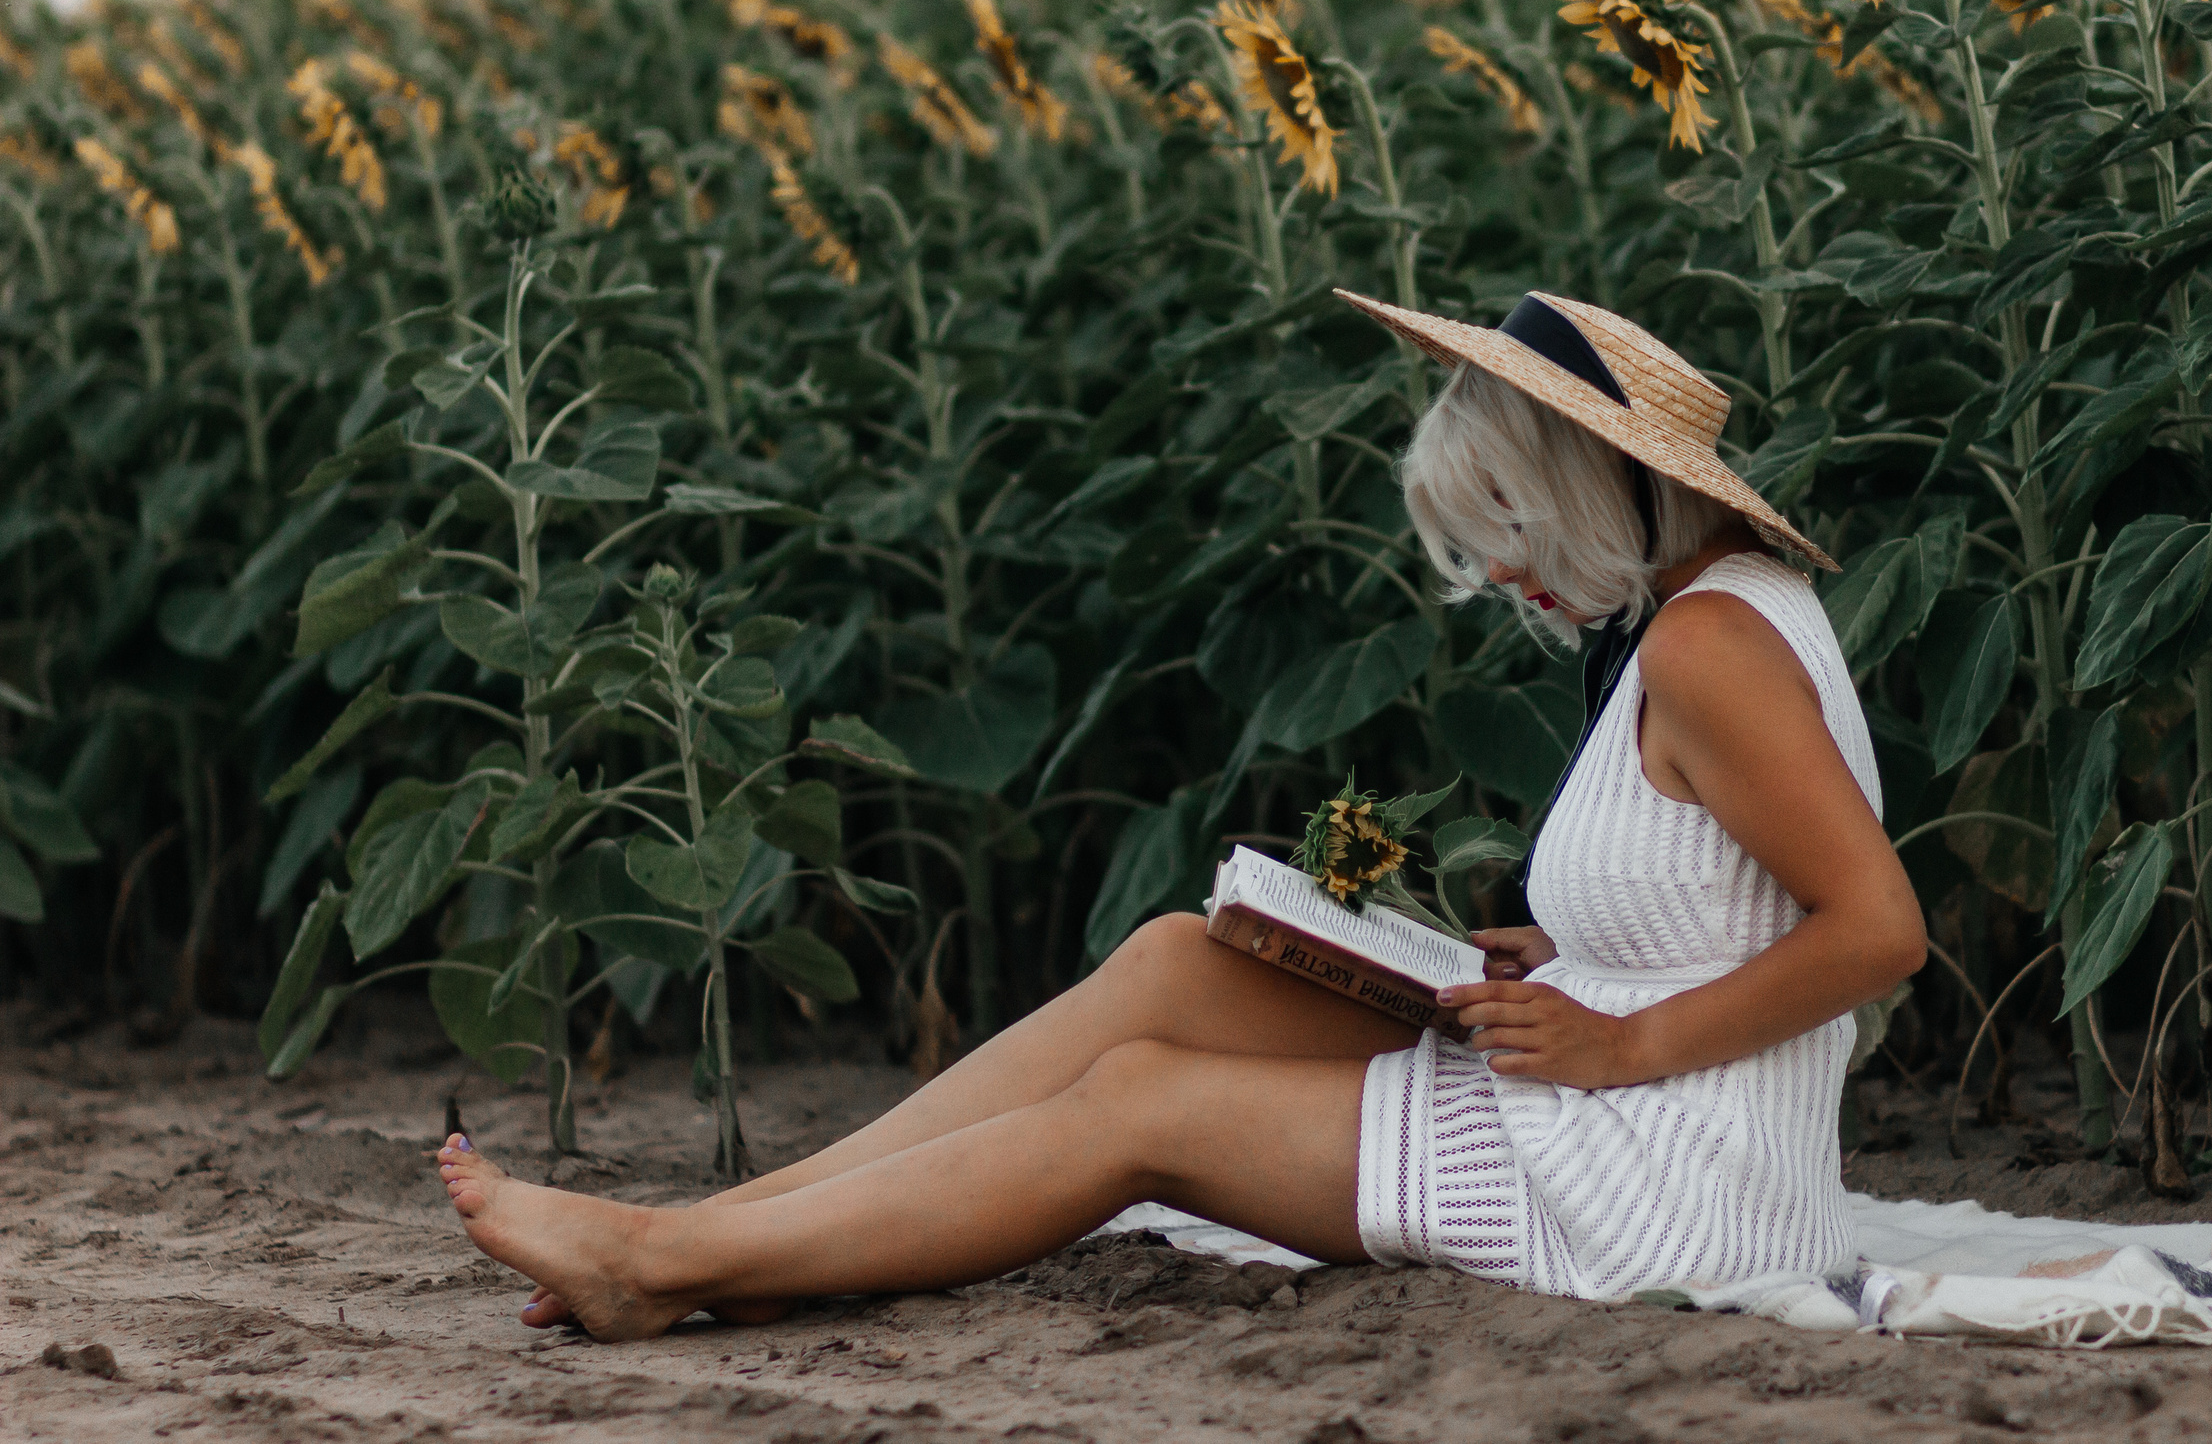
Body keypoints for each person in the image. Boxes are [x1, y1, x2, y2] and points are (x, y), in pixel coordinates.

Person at [435, 288, 1928, 1341]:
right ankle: (749, 1238)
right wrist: (1568, 954)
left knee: (1139, 1103)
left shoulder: (1706, 646)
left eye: (1518, 541)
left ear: (1598, 489)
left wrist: (1626, 1036)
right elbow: (1732, 890)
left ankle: (669, 1259)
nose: (1515, 589)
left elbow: (1879, 932)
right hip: (1610, 1096)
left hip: (1666, 1187)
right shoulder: (1709, 616)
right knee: (1176, 963)